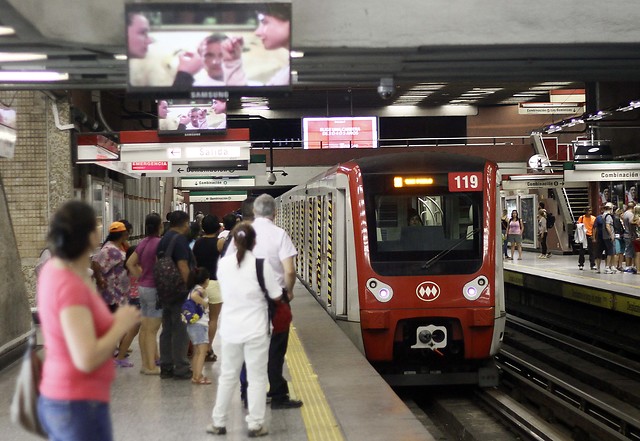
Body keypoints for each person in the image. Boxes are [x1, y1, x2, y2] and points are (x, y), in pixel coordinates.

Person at [37, 200, 140, 441]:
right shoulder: (69, 283)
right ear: (90, 234)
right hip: (77, 400)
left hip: (71, 396)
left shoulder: (58, 271)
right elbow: (86, 357)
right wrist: (120, 325)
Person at [207, 222, 282, 437]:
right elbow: (276, 295)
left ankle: (218, 422)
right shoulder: (261, 265)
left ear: (235, 241)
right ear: (254, 242)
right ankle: (255, 424)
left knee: (228, 376)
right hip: (256, 329)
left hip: (230, 328)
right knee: (257, 377)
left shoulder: (223, 264)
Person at [251, 194, 301, 409]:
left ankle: (252, 394)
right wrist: (288, 292)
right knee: (276, 345)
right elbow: (289, 270)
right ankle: (278, 395)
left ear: (254, 212)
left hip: (249, 298)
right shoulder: (279, 234)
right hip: (276, 298)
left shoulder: (242, 235)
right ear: (275, 213)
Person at [156, 210, 194, 380]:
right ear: (185, 224)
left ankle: (166, 366)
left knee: (167, 329)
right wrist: (190, 288)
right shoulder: (179, 240)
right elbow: (183, 266)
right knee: (180, 329)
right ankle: (181, 367)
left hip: (164, 289)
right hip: (179, 290)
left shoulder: (164, 239)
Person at [126, 213, 163, 374]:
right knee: (152, 329)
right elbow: (160, 264)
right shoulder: (159, 243)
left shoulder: (143, 243)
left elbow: (129, 263)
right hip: (154, 288)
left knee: (145, 327)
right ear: (159, 226)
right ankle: (151, 366)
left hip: (142, 287)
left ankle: (144, 364)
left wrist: (140, 275)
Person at [221, 5, 291, 86]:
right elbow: (261, 97)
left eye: (264, 22)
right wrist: (232, 62)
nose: (257, 32)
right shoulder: (286, 73)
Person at [192, 214, 223, 362]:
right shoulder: (220, 243)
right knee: (213, 319)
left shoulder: (197, 243)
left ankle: (197, 348)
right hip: (215, 283)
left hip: (200, 284)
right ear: (218, 227)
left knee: (198, 318)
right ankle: (208, 349)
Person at [185, 267, 212, 385]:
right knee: (202, 351)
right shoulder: (200, 289)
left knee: (196, 351)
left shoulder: (192, 288)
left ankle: (196, 375)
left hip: (192, 324)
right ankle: (198, 376)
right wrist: (205, 303)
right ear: (205, 280)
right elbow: (195, 297)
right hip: (200, 324)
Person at [577, 206, 596, 270]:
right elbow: (578, 226)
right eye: (588, 210)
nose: (589, 212)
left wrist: (594, 236)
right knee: (582, 251)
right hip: (583, 236)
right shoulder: (581, 218)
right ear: (585, 211)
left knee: (592, 251)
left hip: (590, 235)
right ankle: (581, 264)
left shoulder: (593, 218)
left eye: (590, 210)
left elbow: (594, 228)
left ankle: (592, 264)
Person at [623, 202, 636, 271]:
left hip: (626, 233)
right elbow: (631, 222)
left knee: (629, 250)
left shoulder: (625, 213)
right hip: (630, 235)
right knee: (629, 251)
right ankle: (628, 266)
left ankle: (629, 266)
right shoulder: (630, 214)